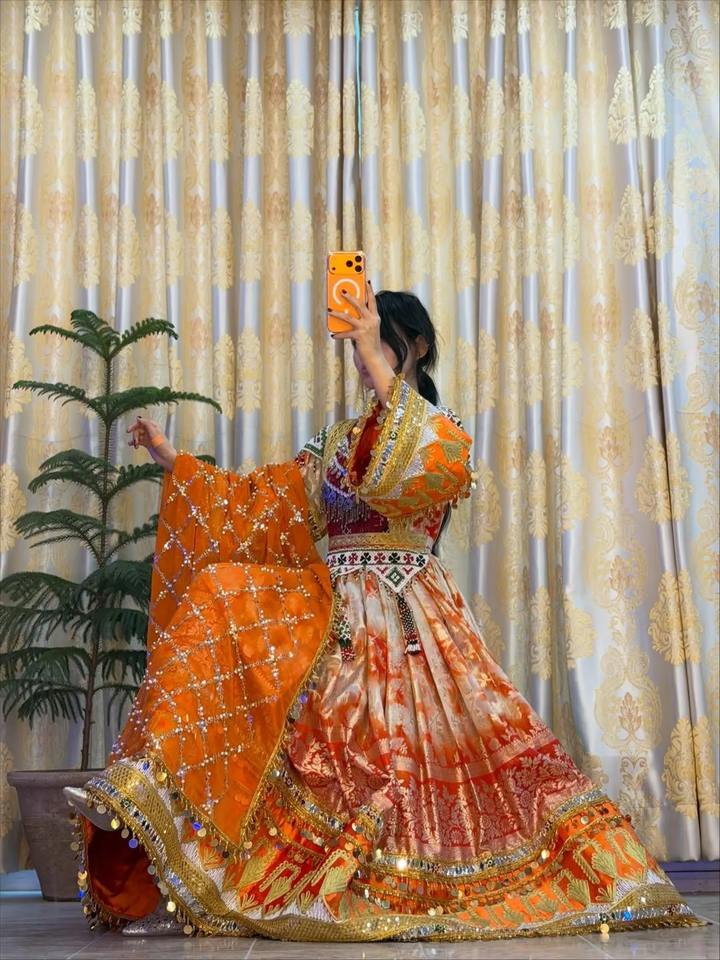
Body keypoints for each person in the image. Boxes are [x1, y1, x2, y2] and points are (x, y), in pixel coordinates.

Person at [65, 284, 699, 941]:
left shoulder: (439, 432)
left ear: (416, 345)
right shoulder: (336, 440)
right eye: (357, 344)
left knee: (401, 762)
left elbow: (409, 473)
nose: (363, 357)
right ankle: (156, 805)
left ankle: (422, 872)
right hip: (332, 611)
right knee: (221, 594)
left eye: (379, 340)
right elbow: (266, 505)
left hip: (406, 613)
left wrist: (372, 349)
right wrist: (174, 460)